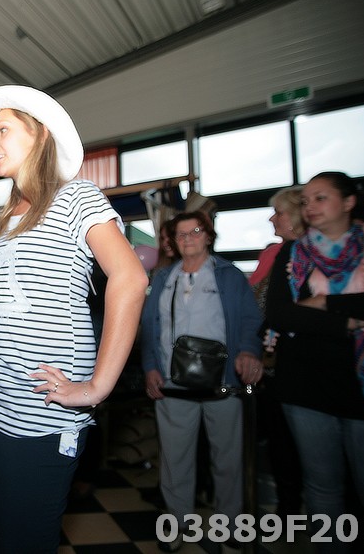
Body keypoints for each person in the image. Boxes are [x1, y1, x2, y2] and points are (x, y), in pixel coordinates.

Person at [0, 85, 148, 553]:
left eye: (2, 129)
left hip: (43, 410)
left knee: (27, 540)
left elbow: (130, 278)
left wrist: (96, 388)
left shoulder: (76, 197)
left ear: (40, 134)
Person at [267, 171, 364, 552]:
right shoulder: (292, 254)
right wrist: (355, 317)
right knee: (322, 491)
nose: (310, 207)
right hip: (306, 386)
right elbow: (281, 315)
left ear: (349, 202)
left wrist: (323, 302)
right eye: (306, 201)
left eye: (321, 198)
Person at [140, 210, 263, 552]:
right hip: (172, 383)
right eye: (180, 234)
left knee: (228, 460)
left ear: (208, 235)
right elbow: (149, 327)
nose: (188, 238)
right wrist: (150, 366)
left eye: (194, 231)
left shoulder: (228, 275)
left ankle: (230, 526)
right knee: (174, 460)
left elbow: (250, 320)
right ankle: (177, 523)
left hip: (223, 382)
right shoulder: (164, 278)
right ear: (173, 242)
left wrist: (249, 351)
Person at [248, 186, 306, 518]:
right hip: (273, 362)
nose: (272, 219)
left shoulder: (301, 254)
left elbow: (264, 305)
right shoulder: (276, 253)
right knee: (283, 441)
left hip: (297, 362)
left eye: (279, 212)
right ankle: (289, 508)